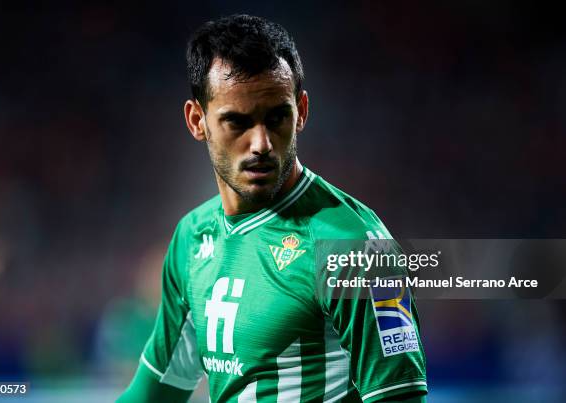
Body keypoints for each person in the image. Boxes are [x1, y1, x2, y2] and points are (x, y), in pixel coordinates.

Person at [118, 14, 427, 402]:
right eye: (237, 122)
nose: (261, 143)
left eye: (277, 117)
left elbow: (401, 398)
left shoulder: (356, 248)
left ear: (302, 110)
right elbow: (157, 392)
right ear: (197, 121)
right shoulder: (191, 239)